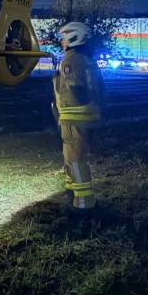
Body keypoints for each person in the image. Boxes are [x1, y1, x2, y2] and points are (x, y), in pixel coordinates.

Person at [52, 21, 105, 210]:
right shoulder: (88, 60)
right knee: (72, 157)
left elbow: (74, 88)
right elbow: (101, 89)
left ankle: (83, 203)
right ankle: (71, 192)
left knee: (75, 160)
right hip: (88, 116)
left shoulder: (70, 60)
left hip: (74, 119)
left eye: (64, 38)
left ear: (73, 37)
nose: (62, 42)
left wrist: (65, 109)